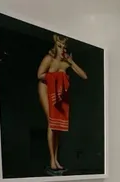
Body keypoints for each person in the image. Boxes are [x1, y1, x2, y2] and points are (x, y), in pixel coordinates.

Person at [36, 34, 88, 174]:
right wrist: (58, 77)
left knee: (57, 127)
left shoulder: (66, 62)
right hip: (46, 88)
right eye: (59, 46)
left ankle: (56, 159)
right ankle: (52, 160)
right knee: (52, 123)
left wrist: (71, 62)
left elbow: (84, 76)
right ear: (55, 46)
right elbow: (40, 75)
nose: (62, 49)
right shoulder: (49, 59)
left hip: (59, 93)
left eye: (64, 47)